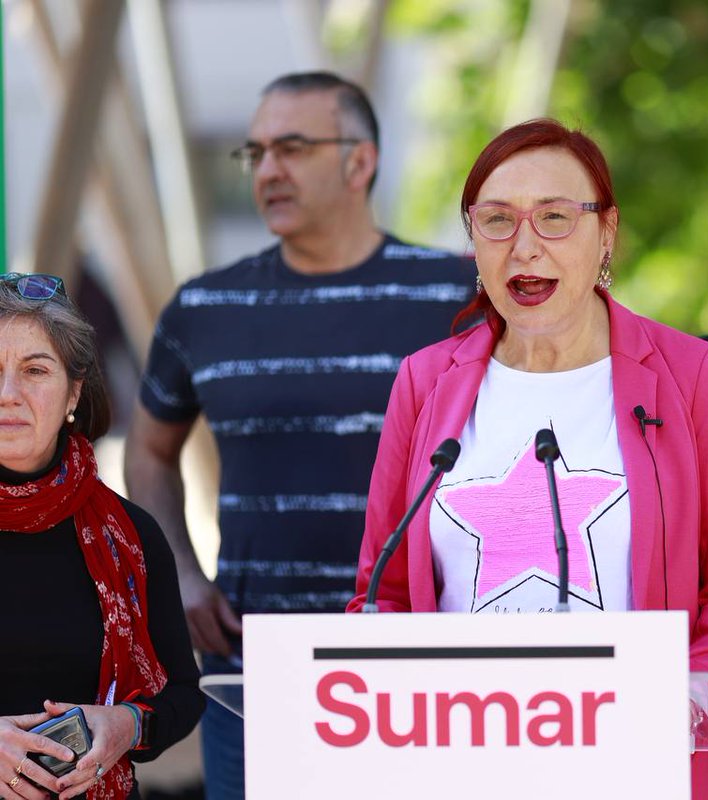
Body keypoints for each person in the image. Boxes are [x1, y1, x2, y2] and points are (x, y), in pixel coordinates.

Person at [347, 119, 708, 799]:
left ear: (606, 233)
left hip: (647, 761)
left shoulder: (693, 374)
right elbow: (383, 592)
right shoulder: (424, 383)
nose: (525, 245)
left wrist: (692, 692)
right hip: (464, 762)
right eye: (496, 220)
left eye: (554, 217)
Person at [123, 71, 475, 799]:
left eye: (291, 147)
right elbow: (150, 451)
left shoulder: (454, 295)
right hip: (255, 673)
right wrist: (180, 576)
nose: (269, 170)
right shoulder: (205, 307)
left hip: (423, 670)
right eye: (254, 154)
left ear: (360, 161)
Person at [0, 274, 203, 800]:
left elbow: (182, 695)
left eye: (35, 370)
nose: (8, 394)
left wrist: (126, 726)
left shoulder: (130, 535)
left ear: (74, 390)